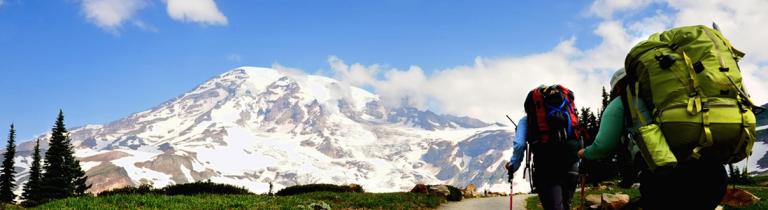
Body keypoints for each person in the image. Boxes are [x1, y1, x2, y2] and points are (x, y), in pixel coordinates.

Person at [578, 68, 727, 210]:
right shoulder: (674, 95)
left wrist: (586, 153)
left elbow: (604, 145)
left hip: (665, 177)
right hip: (714, 173)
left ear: (617, 88)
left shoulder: (621, 102)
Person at [507, 85, 581, 210]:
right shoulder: (567, 114)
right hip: (571, 165)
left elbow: (519, 145)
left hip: (546, 166)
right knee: (566, 205)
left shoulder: (526, 121)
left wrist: (513, 166)